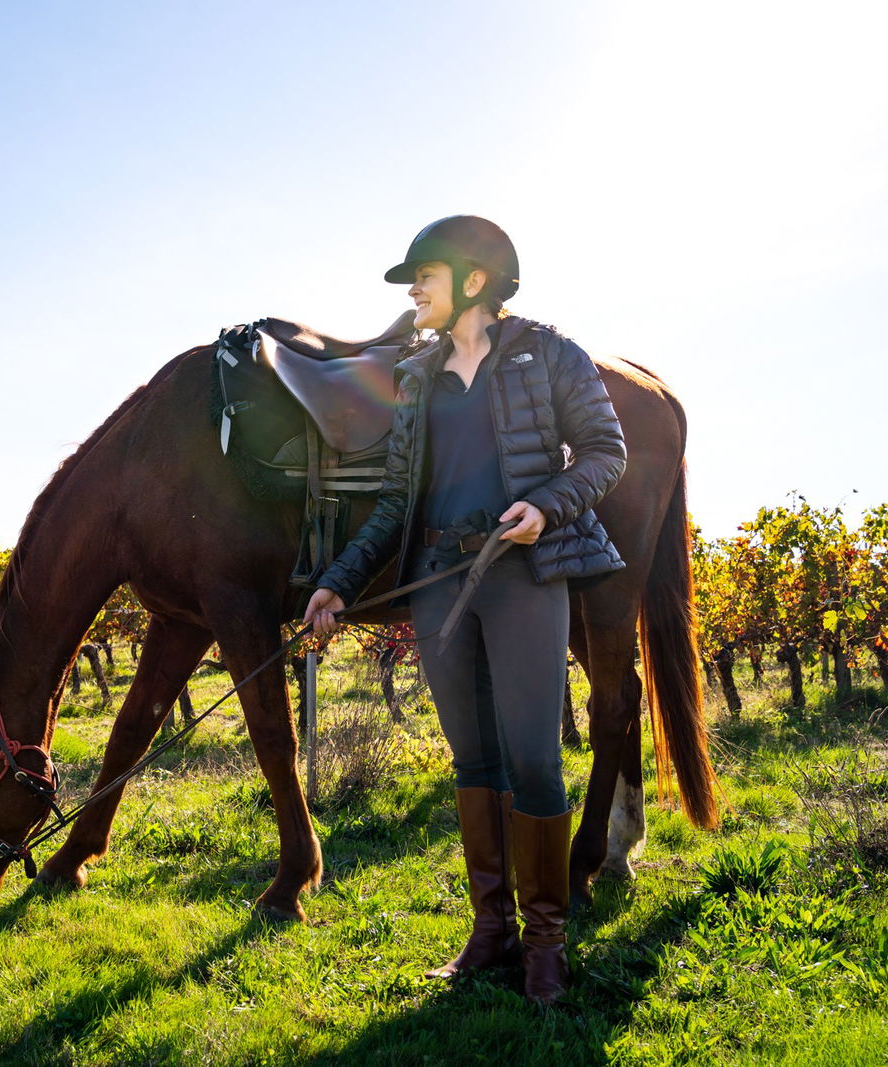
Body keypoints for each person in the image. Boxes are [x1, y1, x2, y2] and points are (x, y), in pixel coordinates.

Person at [302, 216, 626, 1006]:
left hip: (521, 578)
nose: (414, 290)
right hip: (439, 581)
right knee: (473, 759)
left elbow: (606, 452)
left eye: (426, 275)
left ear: (474, 279)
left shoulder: (550, 353)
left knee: (534, 760)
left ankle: (545, 943)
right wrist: (338, 582)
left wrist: (547, 506)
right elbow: (395, 501)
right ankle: (491, 931)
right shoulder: (416, 377)